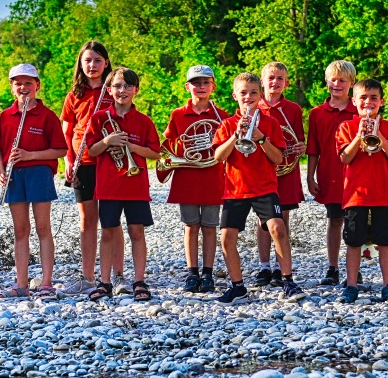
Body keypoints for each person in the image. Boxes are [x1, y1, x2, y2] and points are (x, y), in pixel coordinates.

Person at [211, 73, 304, 304]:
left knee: (278, 228)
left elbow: (278, 158)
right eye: (243, 93)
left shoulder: (270, 123)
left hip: (264, 187)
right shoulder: (227, 124)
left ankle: (288, 281)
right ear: (235, 96)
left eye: (253, 93)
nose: (248, 97)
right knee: (226, 238)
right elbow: (217, 157)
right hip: (236, 189)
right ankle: (238, 287)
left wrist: (261, 137)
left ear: (260, 95)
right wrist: (236, 135)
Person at [0, 63, 67, 297]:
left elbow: (60, 150)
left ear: (37, 86)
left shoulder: (47, 115)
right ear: (12, 87)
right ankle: (21, 284)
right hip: (15, 176)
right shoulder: (5, 116)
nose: (23, 87)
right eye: (18, 83)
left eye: (28, 83)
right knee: (20, 230)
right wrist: (2, 171)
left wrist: (30, 155)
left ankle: (46, 282)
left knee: (43, 228)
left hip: (39, 174)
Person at [86, 68, 160, 302]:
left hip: (136, 186)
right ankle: (105, 282)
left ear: (136, 90)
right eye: (117, 86)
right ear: (109, 90)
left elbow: (156, 153)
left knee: (137, 232)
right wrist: (107, 141)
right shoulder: (99, 119)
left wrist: (131, 148)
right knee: (108, 233)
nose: (123, 90)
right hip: (108, 186)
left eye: (128, 86)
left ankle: (139, 280)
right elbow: (91, 150)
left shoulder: (144, 121)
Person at [335, 78, 388, 304]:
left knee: (385, 241)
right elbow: (345, 157)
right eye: (363, 98)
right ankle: (352, 285)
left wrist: (380, 137)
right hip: (355, 195)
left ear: (381, 101)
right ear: (353, 101)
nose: (368, 102)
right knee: (354, 242)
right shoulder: (346, 127)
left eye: (374, 98)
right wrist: (359, 135)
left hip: (383, 194)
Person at [163, 65, 230, 294]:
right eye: (196, 82)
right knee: (191, 226)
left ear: (213, 86)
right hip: (187, 176)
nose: (200, 87)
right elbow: (168, 144)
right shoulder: (178, 114)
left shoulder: (223, 116)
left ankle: (208, 273)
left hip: (212, 177)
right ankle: (192, 273)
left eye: (205, 82)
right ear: (187, 87)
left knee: (210, 227)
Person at [61, 41, 113, 294]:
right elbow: (67, 131)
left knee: (111, 220)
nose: (92, 65)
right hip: (83, 163)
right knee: (87, 220)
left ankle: (118, 275)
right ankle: (87, 275)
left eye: (97, 60)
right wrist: (68, 159)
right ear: (81, 65)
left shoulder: (114, 91)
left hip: (110, 162)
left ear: (106, 63)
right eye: (87, 60)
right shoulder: (74, 95)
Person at [306, 61, 359, 286]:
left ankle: (354, 268)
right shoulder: (317, 113)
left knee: (356, 224)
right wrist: (310, 177)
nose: (337, 84)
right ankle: (333, 266)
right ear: (327, 81)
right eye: (333, 80)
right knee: (334, 220)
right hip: (330, 174)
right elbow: (313, 148)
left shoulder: (359, 109)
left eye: (342, 81)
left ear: (352, 84)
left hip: (356, 175)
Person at [254, 62, 306, 287]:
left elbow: (298, 140)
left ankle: (279, 267)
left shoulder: (293, 109)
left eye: (280, 78)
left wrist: (299, 148)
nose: (275, 82)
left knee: (282, 220)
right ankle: (264, 266)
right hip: (261, 172)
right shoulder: (253, 105)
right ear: (262, 81)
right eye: (271, 78)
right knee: (262, 221)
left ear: (286, 82)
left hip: (286, 172)